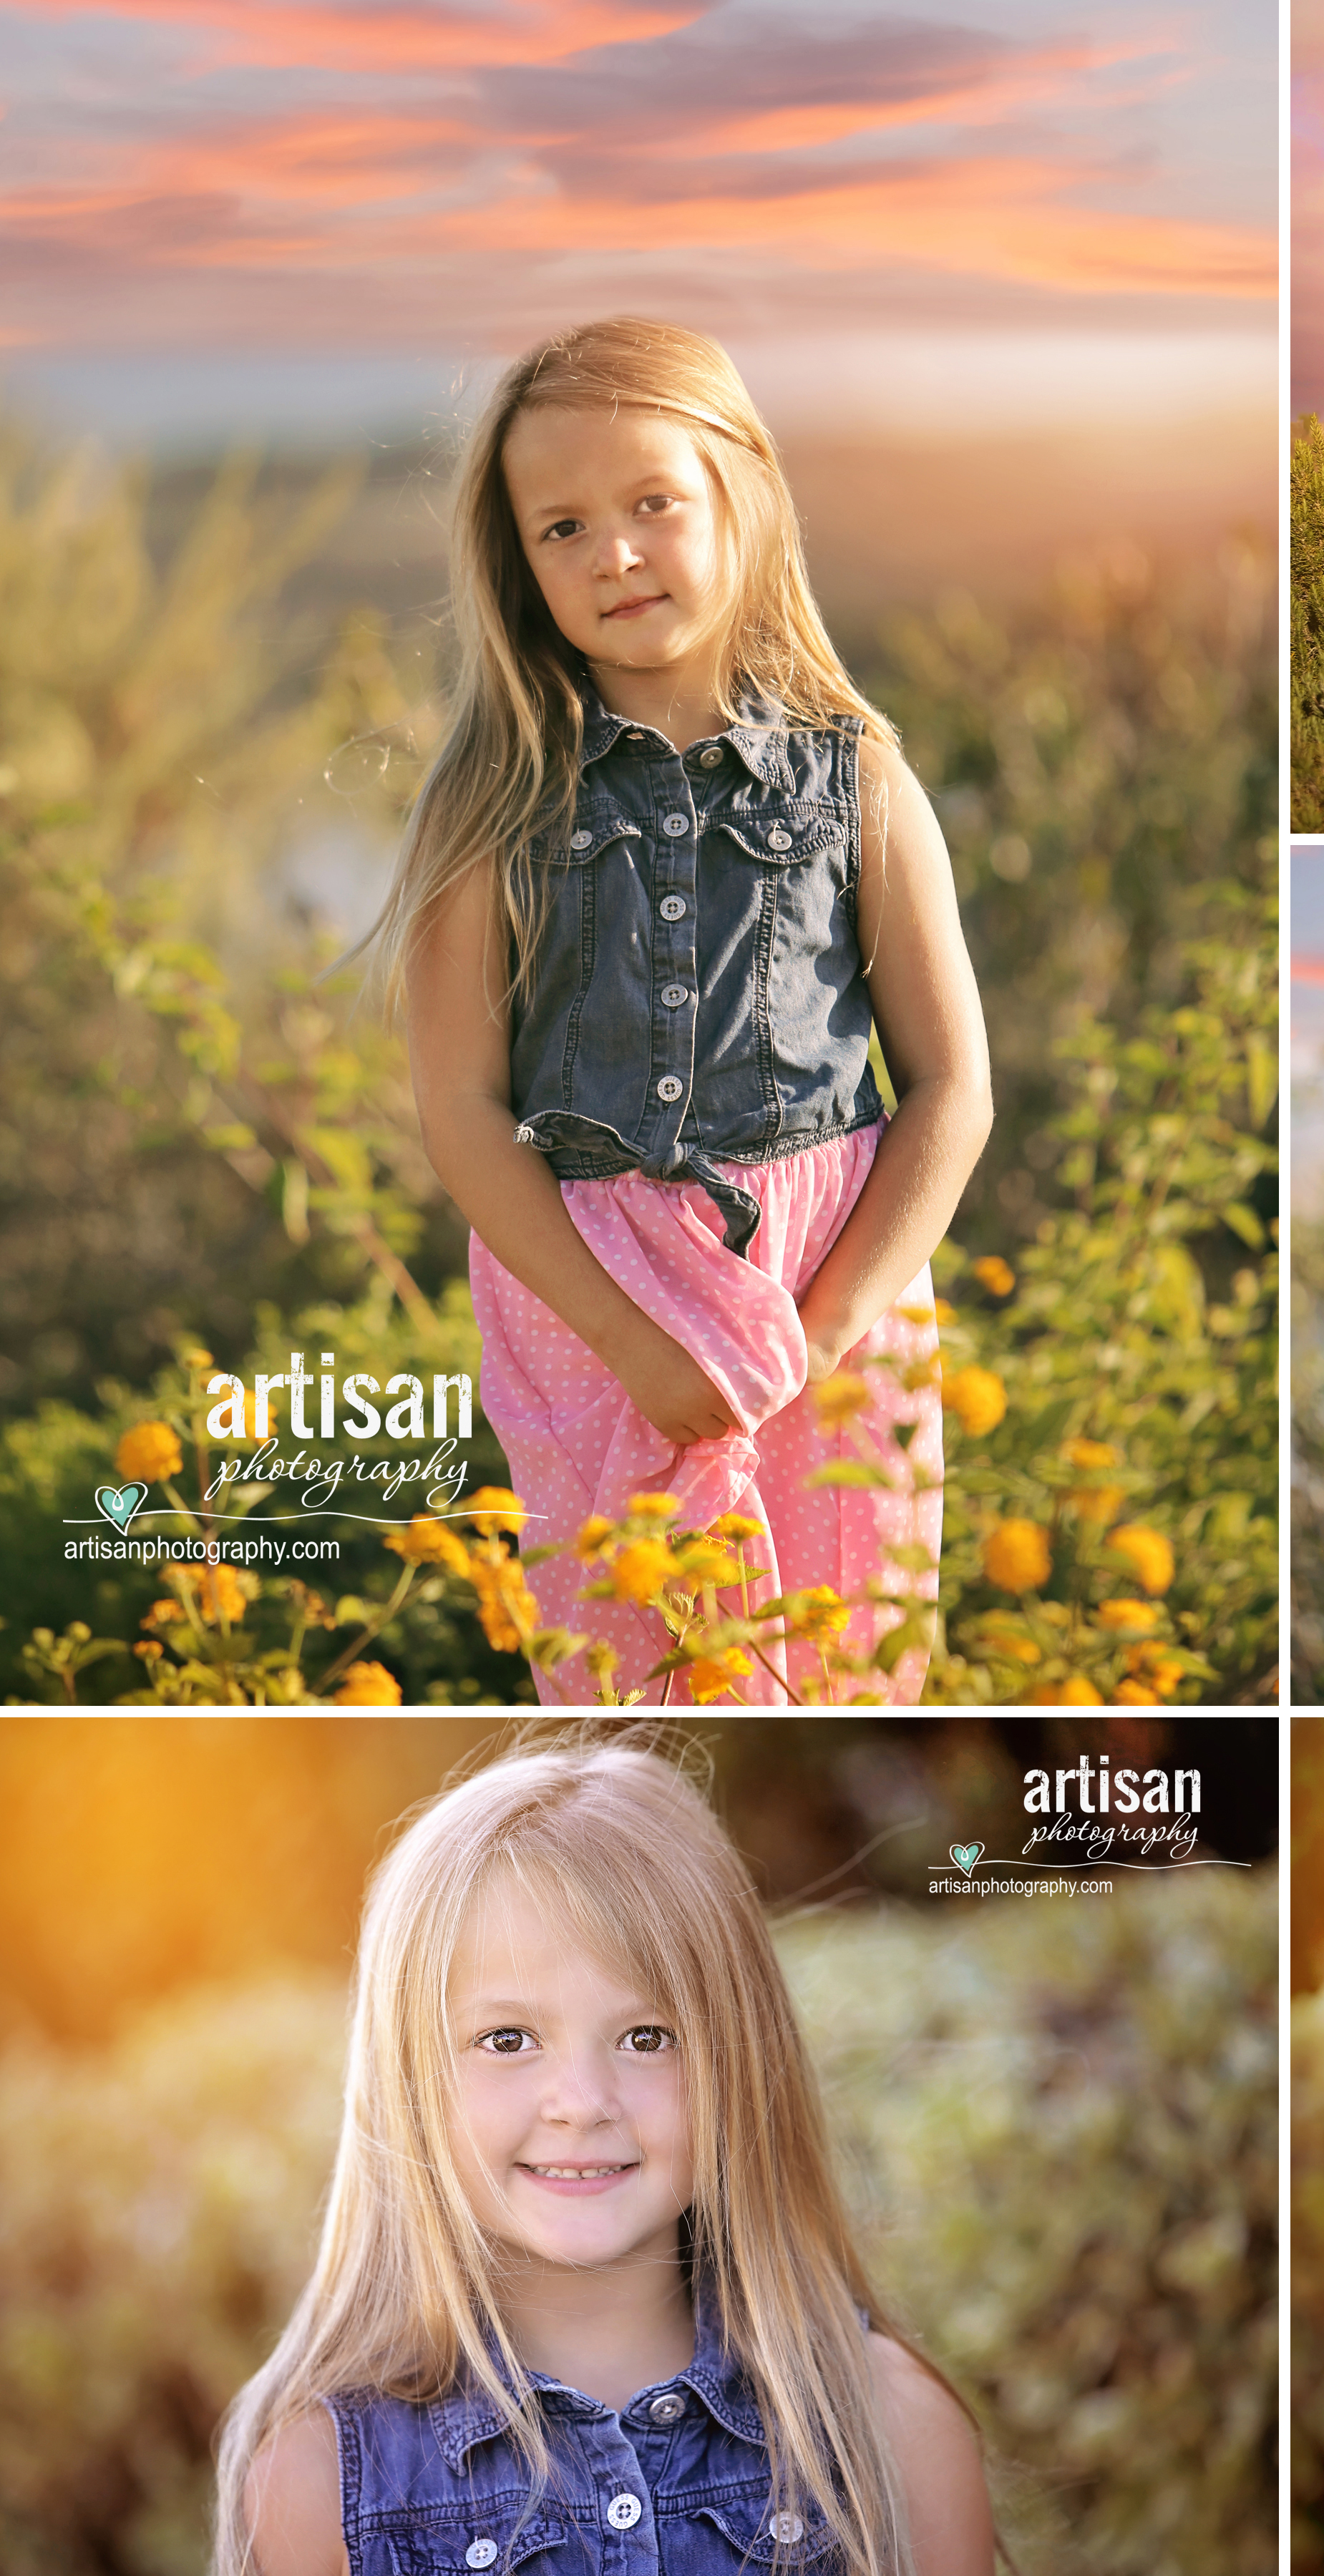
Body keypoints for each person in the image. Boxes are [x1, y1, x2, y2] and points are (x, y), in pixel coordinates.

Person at [376, 318, 991, 1702]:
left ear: (741, 496)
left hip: (827, 1293)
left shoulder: (858, 776)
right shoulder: (492, 800)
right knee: (629, 1673)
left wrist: (821, 1339)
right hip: (589, 1302)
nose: (615, 554)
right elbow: (462, 1109)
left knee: (839, 1664)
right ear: (517, 562)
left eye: (654, 501)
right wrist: (632, 1342)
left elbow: (954, 1088)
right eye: (564, 527)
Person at [217, 1740, 995, 2576]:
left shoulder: (889, 2429)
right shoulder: (316, 2484)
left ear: (741, 2058)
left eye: (646, 2037)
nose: (583, 2102)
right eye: (506, 2039)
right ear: (406, 2081)